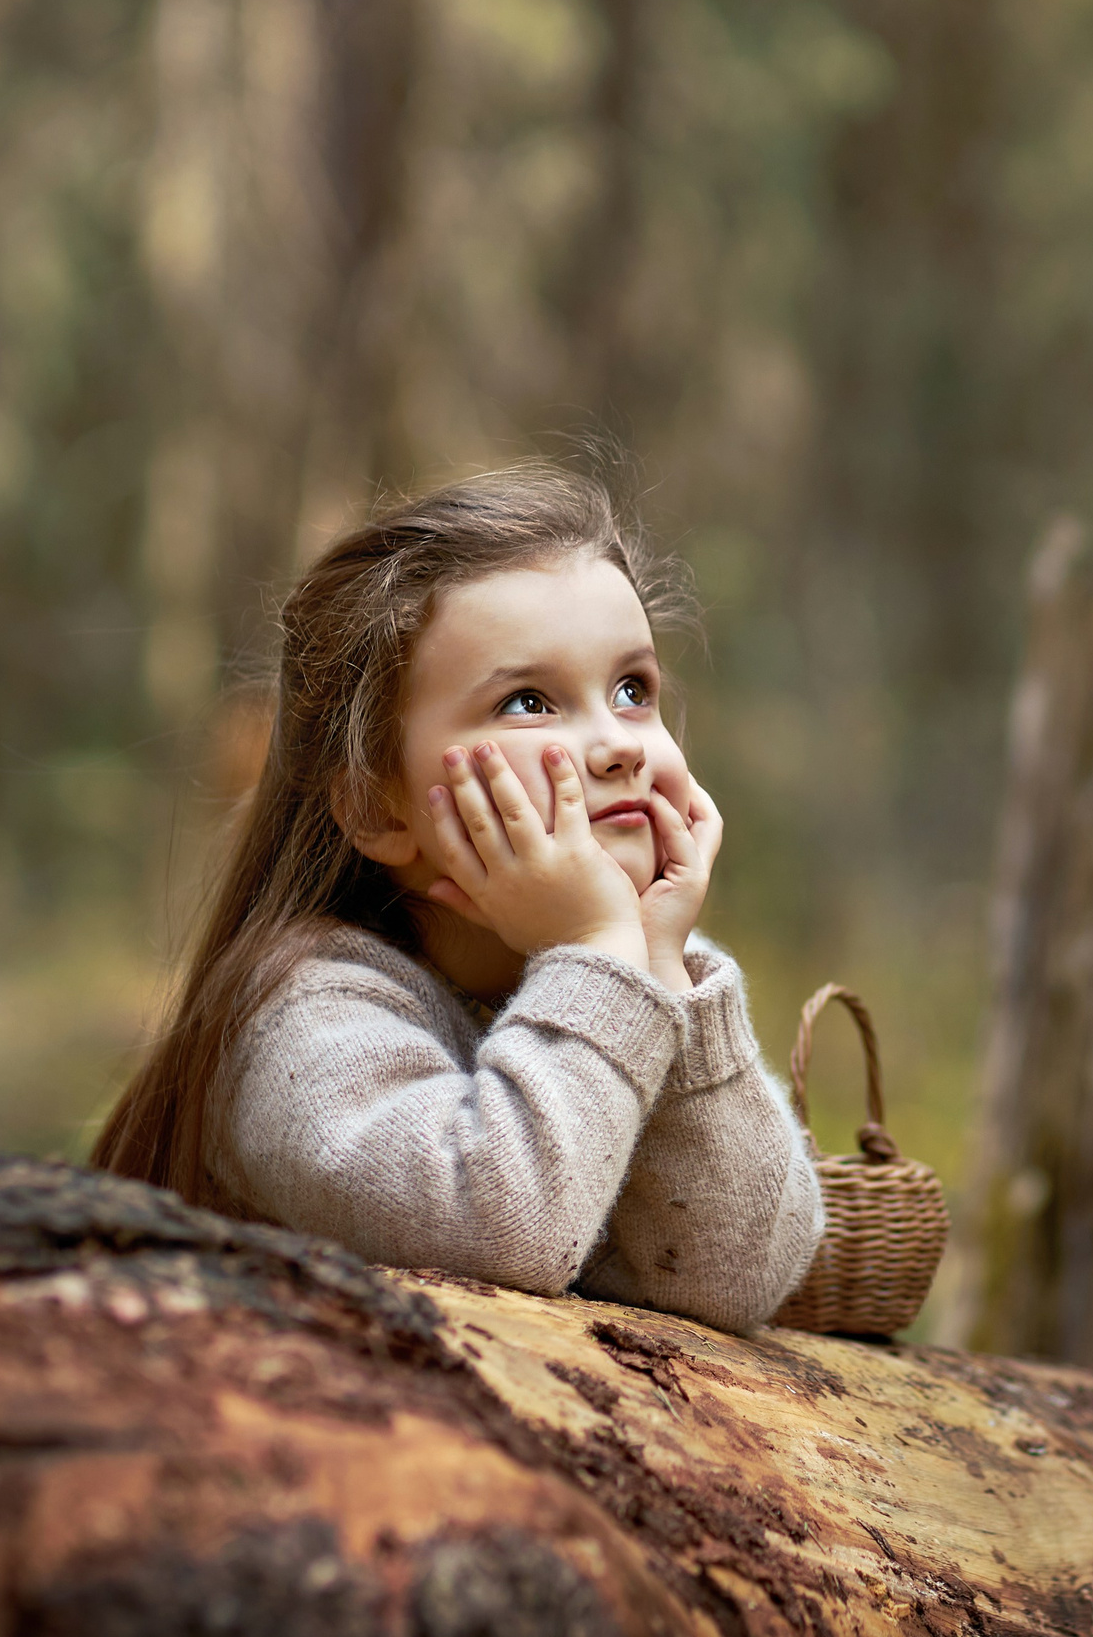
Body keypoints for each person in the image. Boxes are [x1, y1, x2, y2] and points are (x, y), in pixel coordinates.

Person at [92, 465, 823, 1332]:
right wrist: (597, 950)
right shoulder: (301, 1024)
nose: (617, 745)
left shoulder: (612, 969)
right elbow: (507, 1227)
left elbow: (731, 1276)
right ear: (378, 806)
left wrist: (659, 964)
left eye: (633, 690)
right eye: (529, 701)